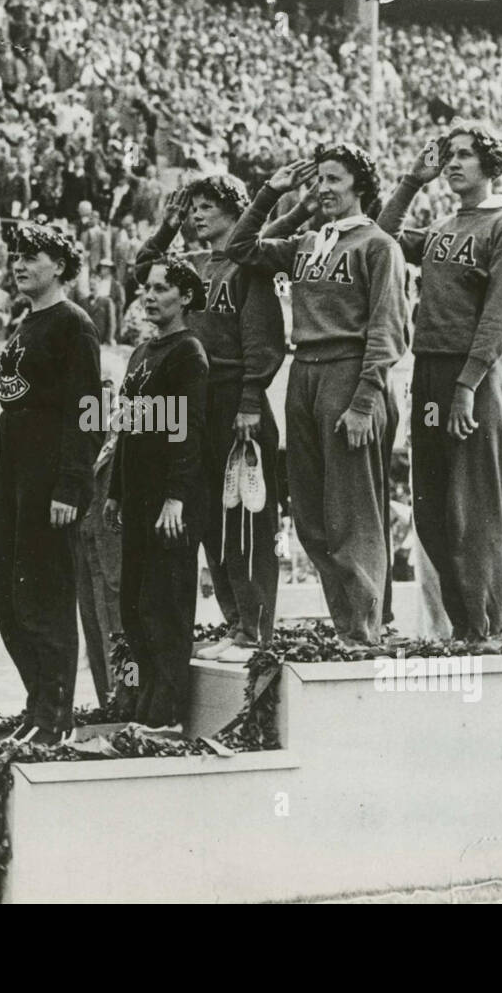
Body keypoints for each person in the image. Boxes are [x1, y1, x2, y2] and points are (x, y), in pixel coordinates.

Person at [227, 144, 406, 645]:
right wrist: (276, 196)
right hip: (303, 372)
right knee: (309, 513)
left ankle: (366, 630)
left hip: (349, 373)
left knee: (352, 511)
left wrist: (365, 400)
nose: (324, 188)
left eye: (334, 179)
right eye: (319, 179)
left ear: (360, 187)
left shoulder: (377, 245)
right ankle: (346, 624)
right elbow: (241, 250)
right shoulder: (309, 242)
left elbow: (388, 330)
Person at [377, 123, 502, 643]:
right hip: (428, 373)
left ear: (490, 166)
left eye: (464, 155)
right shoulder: (444, 227)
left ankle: (486, 629)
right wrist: (411, 182)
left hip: (475, 378)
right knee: (430, 507)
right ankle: (461, 627)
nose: (453, 163)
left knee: (473, 508)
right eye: (448, 156)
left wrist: (467, 384)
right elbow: (383, 237)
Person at [140, 174, 285, 660]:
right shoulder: (193, 265)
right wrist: (168, 225)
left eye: (207, 206)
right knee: (210, 519)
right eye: (193, 207)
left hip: (235, 399)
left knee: (245, 515)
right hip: (198, 399)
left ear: (235, 209)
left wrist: (249, 399)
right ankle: (233, 619)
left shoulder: (248, 262)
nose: (197, 215)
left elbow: (263, 338)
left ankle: (255, 627)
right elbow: (142, 269)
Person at [0, 224, 101, 745]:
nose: (19, 263)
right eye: (15, 255)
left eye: (31, 256)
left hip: (47, 474)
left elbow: (87, 410)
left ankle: (55, 711)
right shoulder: (24, 323)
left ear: (58, 265)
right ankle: (38, 698)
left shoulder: (73, 324)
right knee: (7, 598)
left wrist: (70, 486)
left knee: (45, 594)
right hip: (12, 466)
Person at [104, 258, 209, 732]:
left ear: (184, 296)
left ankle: (166, 711)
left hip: (169, 503)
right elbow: (127, 428)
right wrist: (116, 492)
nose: (149, 295)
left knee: (163, 604)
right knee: (133, 603)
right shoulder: (142, 352)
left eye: (161, 288)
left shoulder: (188, 353)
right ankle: (144, 703)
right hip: (138, 497)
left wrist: (177, 497)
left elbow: (189, 433)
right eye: (146, 288)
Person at [77, 352, 126, 705]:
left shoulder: (133, 430)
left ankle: (125, 699)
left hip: (119, 551)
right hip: (86, 547)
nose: (100, 393)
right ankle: (105, 702)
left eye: (107, 385)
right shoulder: (80, 433)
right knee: (94, 629)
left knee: (121, 633)